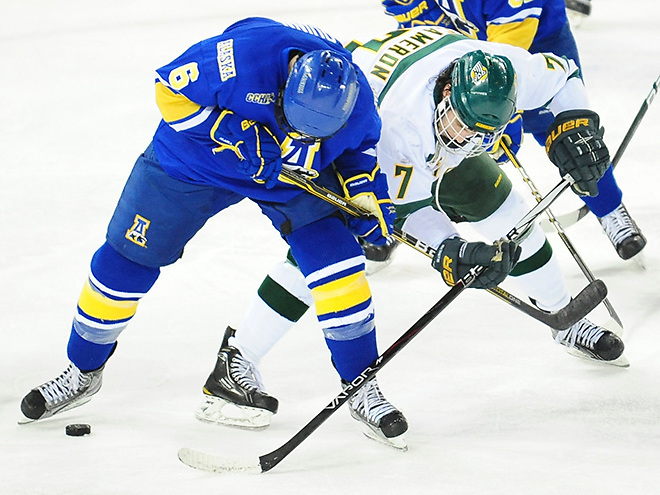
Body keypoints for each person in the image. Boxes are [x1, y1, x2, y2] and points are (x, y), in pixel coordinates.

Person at [20, 17, 479, 448]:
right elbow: (170, 93)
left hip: (286, 176)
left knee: (338, 261)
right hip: (194, 160)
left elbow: (359, 154)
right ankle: (82, 370)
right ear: (284, 87)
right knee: (124, 262)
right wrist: (228, 129)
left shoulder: (355, 100)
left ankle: (362, 387)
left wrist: (364, 195)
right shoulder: (243, 57)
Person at [194, 26, 627, 435]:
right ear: (444, 93)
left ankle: (562, 316)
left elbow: (563, 75)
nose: (469, 141)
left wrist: (576, 123)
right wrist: (451, 249)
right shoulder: (397, 129)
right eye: (461, 126)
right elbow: (402, 213)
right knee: (327, 251)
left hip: (418, 113)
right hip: (346, 141)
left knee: (507, 210)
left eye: (484, 132)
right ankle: (238, 357)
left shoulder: (503, 73)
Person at [380, 0, 646, 261]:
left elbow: (507, 53)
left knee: (570, 139)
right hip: (469, 52)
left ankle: (610, 208)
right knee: (433, 127)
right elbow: (422, 23)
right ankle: (410, 210)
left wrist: (500, 113)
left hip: (539, 45)